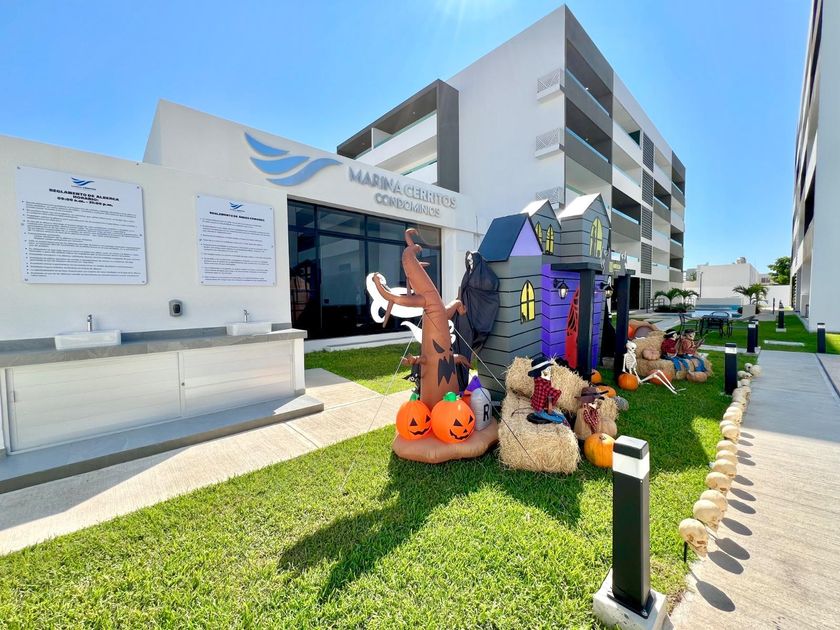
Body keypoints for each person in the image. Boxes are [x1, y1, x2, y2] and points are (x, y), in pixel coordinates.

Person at [526, 355, 570, 425]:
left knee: (561, 416)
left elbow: (547, 391)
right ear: (540, 372)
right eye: (547, 370)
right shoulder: (541, 384)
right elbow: (548, 391)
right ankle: (562, 421)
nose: (549, 372)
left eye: (549, 370)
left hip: (543, 407)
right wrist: (557, 392)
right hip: (539, 410)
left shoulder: (544, 381)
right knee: (558, 420)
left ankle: (562, 419)